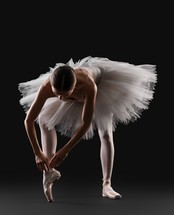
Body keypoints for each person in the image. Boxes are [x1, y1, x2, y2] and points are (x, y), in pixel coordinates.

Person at [18, 56, 157, 202]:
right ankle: (49, 173)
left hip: (101, 85)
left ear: (75, 85)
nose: (59, 98)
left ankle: (107, 185)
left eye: (65, 95)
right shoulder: (47, 86)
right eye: (56, 93)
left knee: (106, 134)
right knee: (44, 121)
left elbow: (85, 124)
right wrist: (38, 153)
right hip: (73, 91)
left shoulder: (89, 85)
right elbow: (28, 121)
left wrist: (65, 150)